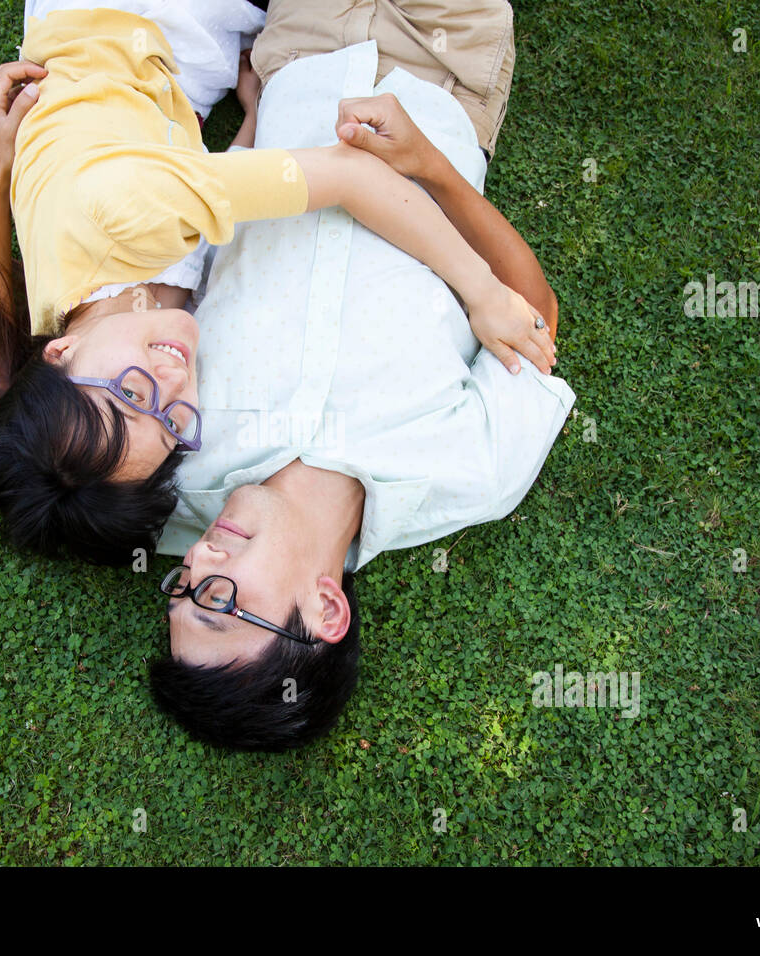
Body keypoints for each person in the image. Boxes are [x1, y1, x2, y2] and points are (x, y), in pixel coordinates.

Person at [0, 0, 547, 566]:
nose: (172, 382)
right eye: (173, 424)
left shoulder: (125, 213)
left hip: (146, 18)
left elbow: (351, 177)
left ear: (59, 353)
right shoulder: (102, 321)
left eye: (129, 392)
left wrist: (485, 294)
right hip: (171, 73)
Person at [150, 0, 573, 751]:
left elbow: (197, 257)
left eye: (181, 588)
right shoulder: (468, 474)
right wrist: (428, 166)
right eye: (219, 599)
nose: (200, 561)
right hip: (440, 67)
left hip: (299, 53)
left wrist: (253, 115)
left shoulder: (173, 465)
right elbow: (534, 312)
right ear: (325, 612)